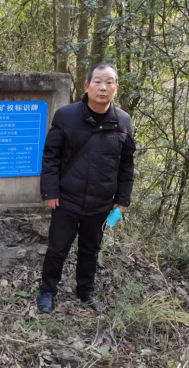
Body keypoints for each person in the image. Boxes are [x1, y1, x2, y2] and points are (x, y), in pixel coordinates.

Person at [37, 62, 135, 313]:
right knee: (57, 249)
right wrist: (50, 191)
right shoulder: (66, 116)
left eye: (109, 83)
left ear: (116, 88)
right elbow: (51, 156)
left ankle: (85, 291)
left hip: (101, 202)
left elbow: (126, 165)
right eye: (98, 82)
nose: (103, 88)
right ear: (87, 86)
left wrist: (122, 200)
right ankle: (47, 291)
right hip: (66, 199)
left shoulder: (123, 122)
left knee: (91, 250)